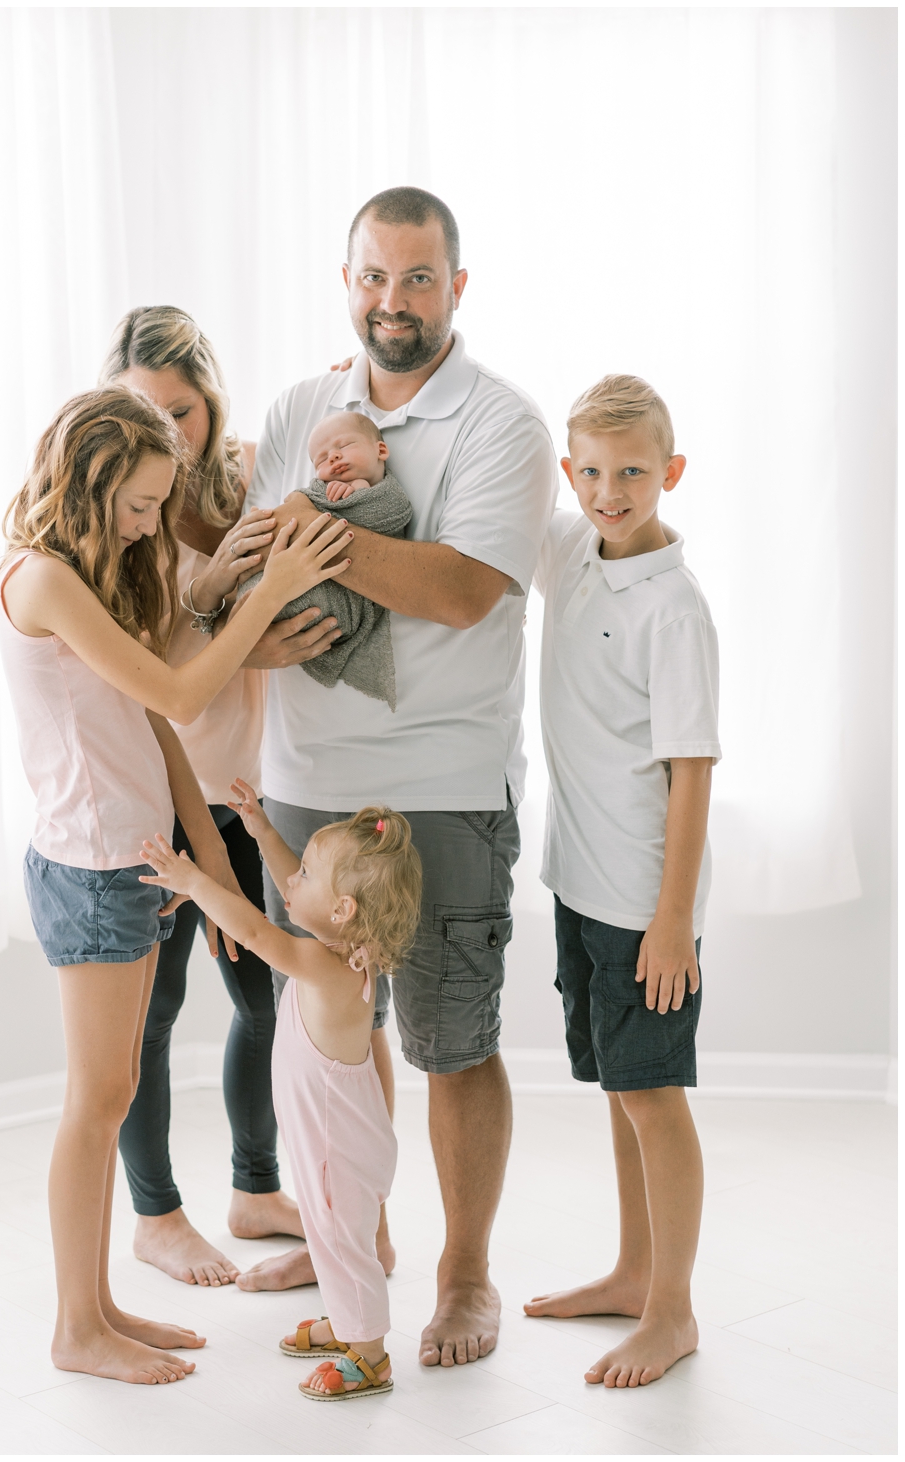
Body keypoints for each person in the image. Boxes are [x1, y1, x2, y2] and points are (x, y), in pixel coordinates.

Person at [0, 385, 351, 1385]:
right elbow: (184, 693)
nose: (151, 524)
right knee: (93, 1098)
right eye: (139, 506)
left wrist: (215, 864)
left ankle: (97, 1307)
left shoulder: (87, 578)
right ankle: (74, 1327)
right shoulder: (42, 581)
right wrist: (264, 594)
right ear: (91, 485)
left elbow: (151, 730)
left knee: (114, 1088)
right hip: (92, 872)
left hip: (133, 864)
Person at [244, 185, 555, 1367]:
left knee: (449, 1039)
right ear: (346, 280)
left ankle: (463, 1273)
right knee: (335, 1031)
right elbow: (251, 570)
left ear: (456, 289)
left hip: (445, 780)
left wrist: (306, 535)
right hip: (304, 771)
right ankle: (353, 1251)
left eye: (417, 279)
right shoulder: (295, 406)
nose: (392, 301)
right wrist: (282, 571)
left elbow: (459, 588)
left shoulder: (501, 427)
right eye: (373, 276)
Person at [99, 306, 331, 1289]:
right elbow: (131, 665)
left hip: (244, 789)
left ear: (209, 402)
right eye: (143, 409)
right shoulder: (115, 505)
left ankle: (253, 1185)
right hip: (155, 787)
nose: (166, 428)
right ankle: (155, 1215)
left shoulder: (242, 479)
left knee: (272, 997)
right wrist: (240, 632)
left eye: (181, 410)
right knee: (146, 1017)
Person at [521, 375, 715, 1389]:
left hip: (644, 900)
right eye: (590, 471)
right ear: (569, 473)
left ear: (668, 473)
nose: (609, 489)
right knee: (614, 1086)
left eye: (631, 471)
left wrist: (672, 919)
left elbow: (690, 770)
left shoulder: (672, 610)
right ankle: (635, 1269)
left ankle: (672, 1310)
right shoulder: (566, 551)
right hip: (577, 884)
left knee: (653, 1098)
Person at [139, 794, 422, 1401]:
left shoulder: (321, 965)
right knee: (329, 1239)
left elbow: (250, 927)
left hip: (335, 1152)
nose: (290, 877)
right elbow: (295, 891)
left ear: (342, 910)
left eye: (305, 873)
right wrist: (263, 830)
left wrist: (194, 881)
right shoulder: (346, 952)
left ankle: (369, 1356)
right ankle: (350, 1327)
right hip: (337, 1143)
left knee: (345, 1245)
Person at [238, 410, 414, 709]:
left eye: (343, 447)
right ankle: (249, 611)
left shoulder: (390, 495)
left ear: (380, 450)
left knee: (292, 602)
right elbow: (293, 510)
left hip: (341, 593)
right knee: (257, 587)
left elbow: (392, 515)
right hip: (287, 580)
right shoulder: (322, 491)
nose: (332, 458)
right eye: (321, 460)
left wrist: (357, 491)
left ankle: (256, 613)